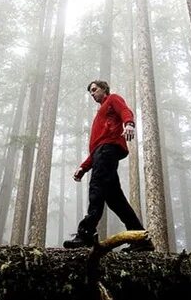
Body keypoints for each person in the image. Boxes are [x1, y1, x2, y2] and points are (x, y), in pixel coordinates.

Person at [63, 80, 154, 251]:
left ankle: (86, 233)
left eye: (94, 90)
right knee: (116, 201)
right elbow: (96, 147)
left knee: (96, 188)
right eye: (90, 92)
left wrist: (129, 124)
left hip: (108, 150)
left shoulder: (113, 99)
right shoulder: (100, 114)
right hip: (101, 153)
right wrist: (84, 167)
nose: (92, 94)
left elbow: (125, 111)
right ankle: (142, 240)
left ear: (104, 89)